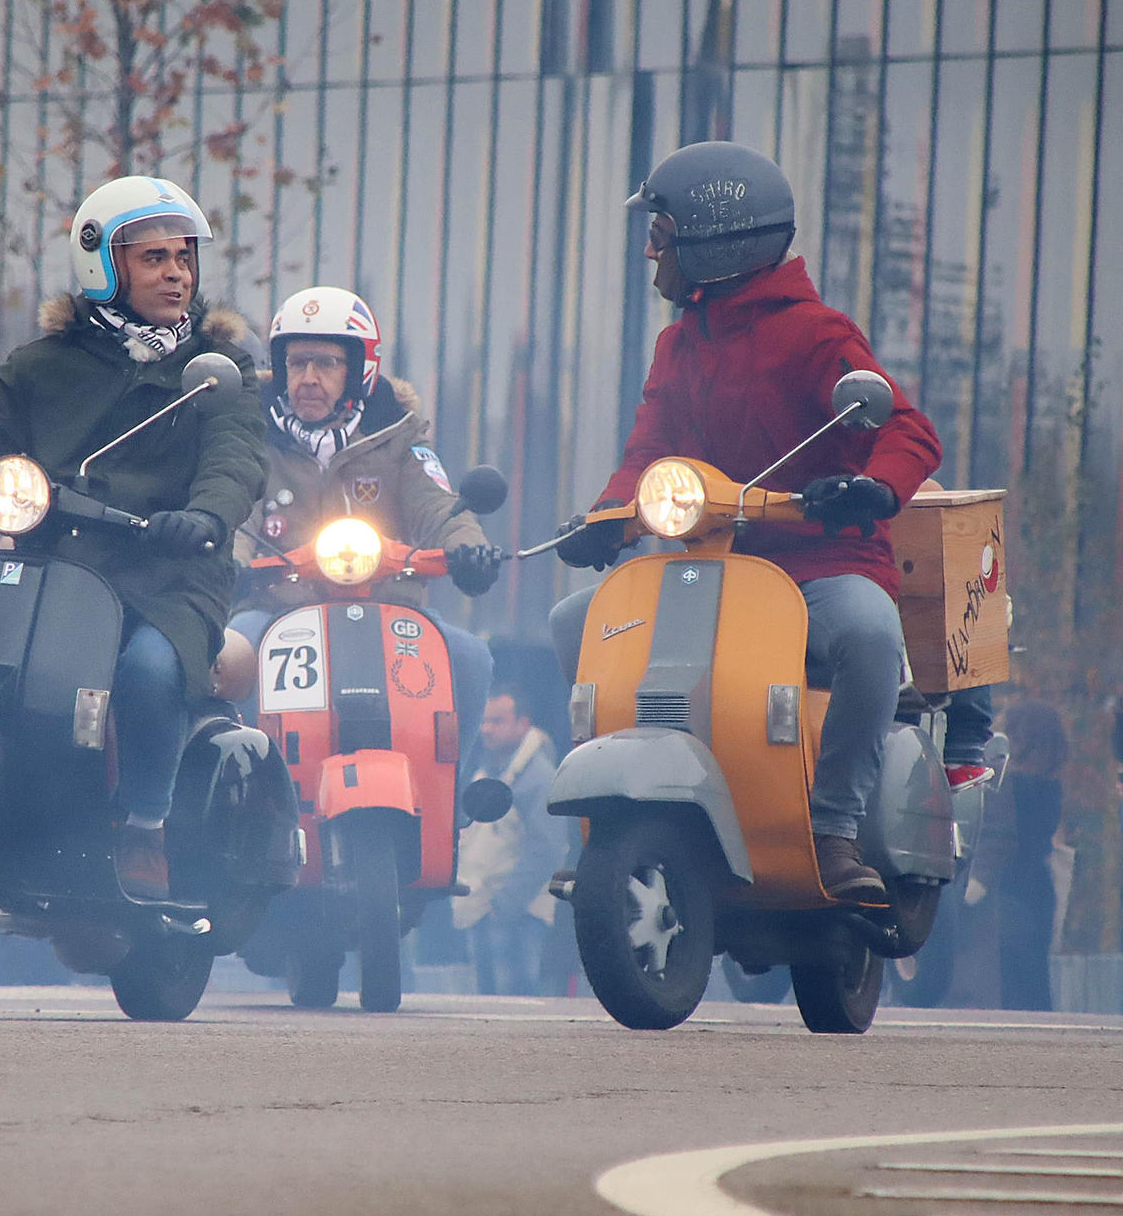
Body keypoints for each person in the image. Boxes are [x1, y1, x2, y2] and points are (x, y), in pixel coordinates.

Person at [548, 141, 943, 905]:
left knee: (869, 636)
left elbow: (911, 431)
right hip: (711, 567)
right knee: (576, 625)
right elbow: (647, 451)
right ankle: (616, 814)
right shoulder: (678, 343)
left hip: (819, 564)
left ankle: (832, 830)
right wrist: (606, 518)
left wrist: (870, 488)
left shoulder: (818, 334)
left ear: (714, 241)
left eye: (659, 234)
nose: (650, 251)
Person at [0, 175, 268, 901]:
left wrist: (208, 515)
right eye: (153, 259)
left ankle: (145, 825)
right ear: (104, 266)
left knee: (150, 670)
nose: (176, 273)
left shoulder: (217, 373)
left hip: (169, 574)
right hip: (54, 564)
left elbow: (237, 457)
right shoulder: (45, 365)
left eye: (183, 258)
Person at [227, 285, 496, 780]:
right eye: (297, 362)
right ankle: (235, 793)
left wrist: (469, 549)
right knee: (228, 652)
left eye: (326, 364)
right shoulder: (250, 433)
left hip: (390, 612)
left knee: (470, 657)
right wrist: (232, 561)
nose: (308, 378)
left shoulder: (397, 435)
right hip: (277, 612)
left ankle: (449, 794)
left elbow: (437, 504)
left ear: (358, 369)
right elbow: (239, 508)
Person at [462, 686, 563, 995]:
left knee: (513, 1007)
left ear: (523, 724)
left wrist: (504, 906)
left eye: (498, 721)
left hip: (517, 915)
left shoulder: (538, 777)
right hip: (485, 909)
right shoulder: (488, 770)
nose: (487, 729)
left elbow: (548, 848)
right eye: (485, 720)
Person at [980, 699, 1066, 1011]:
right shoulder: (1050, 786)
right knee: (1034, 975)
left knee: (1008, 971)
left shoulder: (1009, 783)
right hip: (1039, 887)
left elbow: (1000, 839)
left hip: (1009, 884)